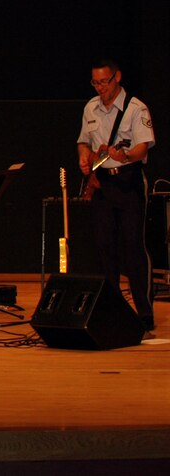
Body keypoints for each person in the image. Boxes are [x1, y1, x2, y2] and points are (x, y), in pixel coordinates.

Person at [77, 59, 155, 331]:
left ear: (117, 77)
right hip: (102, 185)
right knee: (104, 248)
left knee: (133, 247)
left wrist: (125, 155)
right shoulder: (90, 107)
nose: (100, 88)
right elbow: (84, 141)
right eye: (95, 83)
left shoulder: (136, 108)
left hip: (128, 182)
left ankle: (144, 312)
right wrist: (84, 158)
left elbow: (142, 149)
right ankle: (112, 309)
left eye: (104, 82)